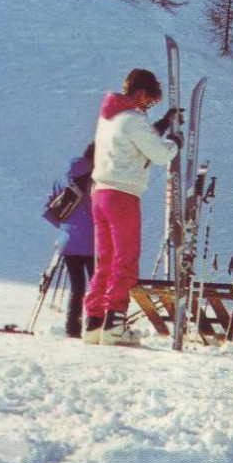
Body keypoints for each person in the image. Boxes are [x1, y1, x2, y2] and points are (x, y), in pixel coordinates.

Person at [82, 68, 181, 346]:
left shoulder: (109, 117)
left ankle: (95, 322)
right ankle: (115, 323)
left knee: (105, 260)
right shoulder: (134, 119)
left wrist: (161, 126)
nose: (147, 107)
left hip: (100, 193)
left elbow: (133, 143)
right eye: (148, 101)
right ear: (140, 94)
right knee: (125, 259)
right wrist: (175, 141)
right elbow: (160, 154)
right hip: (123, 194)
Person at [52, 143, 96, 339]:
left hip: (68, 241)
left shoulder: (64, 179)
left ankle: (72, 327)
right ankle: (95, 324)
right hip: (93, 242)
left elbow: (51, 209)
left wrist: (66, 229)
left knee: (76, 286)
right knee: (96, 285)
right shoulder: (96, 180)